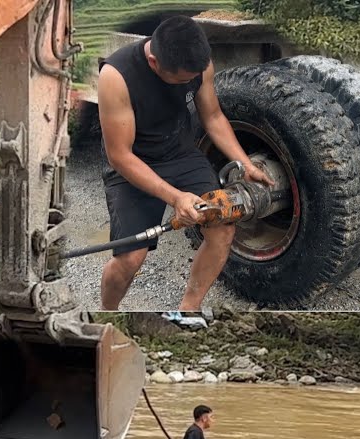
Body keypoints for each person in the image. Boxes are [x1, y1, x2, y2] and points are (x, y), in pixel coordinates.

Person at [95, 15, 273, 313]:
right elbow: (120, 156)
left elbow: (214, 117)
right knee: (131, 257)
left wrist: (245, 163)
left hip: (179, 153)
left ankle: (188, 309)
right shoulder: (116, 77)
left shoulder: (199, 66)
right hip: (132, 163)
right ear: (154, 63)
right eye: (181, 80)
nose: (190, 82)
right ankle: (107, 312)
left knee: (222, 230)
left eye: (193, 77)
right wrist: (176, 198)